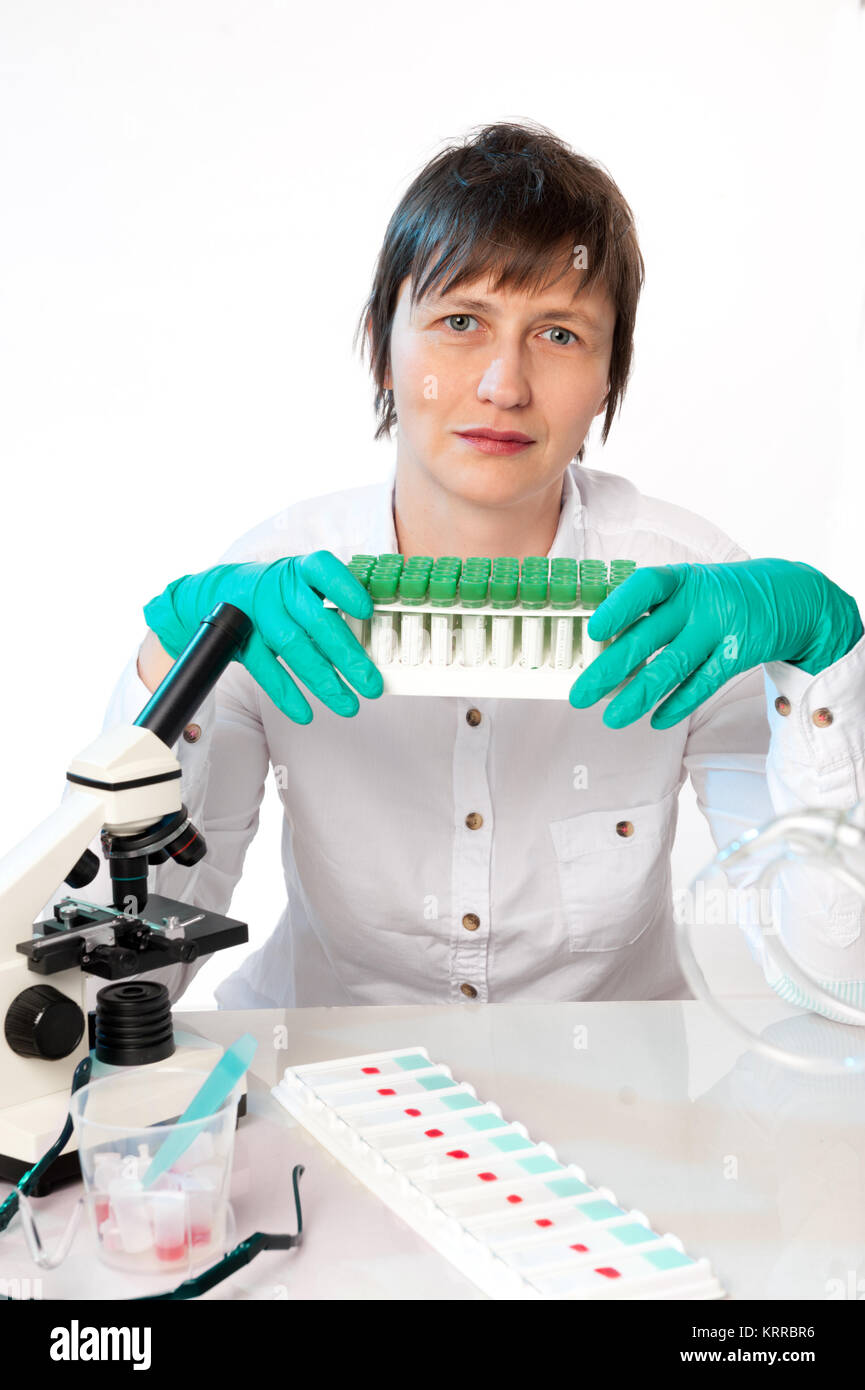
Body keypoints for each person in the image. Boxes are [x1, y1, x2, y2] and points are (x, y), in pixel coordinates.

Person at [69, 121, 865, 1011]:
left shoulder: (691, 596)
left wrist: (821, 668)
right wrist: (162, 672)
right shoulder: (269, 590)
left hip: (616, 1102)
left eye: (559, 335)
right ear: (382, 347)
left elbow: (831, 984)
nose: (502, 384)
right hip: (318, 1082)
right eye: (459, 322)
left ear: (609, 377)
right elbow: (125, 979)